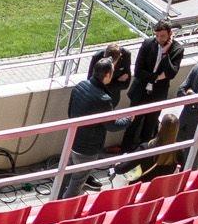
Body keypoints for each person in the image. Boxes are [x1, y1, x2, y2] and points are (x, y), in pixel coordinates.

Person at [62, 51, 123, 195]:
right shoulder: (104, 99)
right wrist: (129, 119)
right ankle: (61, 211)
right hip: (87, 149)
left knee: (65, 176)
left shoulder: (80, 86)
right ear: (107, 75)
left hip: (72, 140)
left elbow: (70, 113)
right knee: (77, 181)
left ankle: (56, 201)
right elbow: (112, 125)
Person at [125, 24, 182, 162]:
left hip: (157, 95)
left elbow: (171, 73)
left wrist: (165, 53)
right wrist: (156, 77)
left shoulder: (177, 49)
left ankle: (143, 157)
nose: (159, 39)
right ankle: (125, 153)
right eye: (156, 36)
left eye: (162, 36)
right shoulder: (147, 44)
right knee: (132, 124)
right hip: (140, 92)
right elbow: (138, 71)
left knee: (149, 126)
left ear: (169, 34)